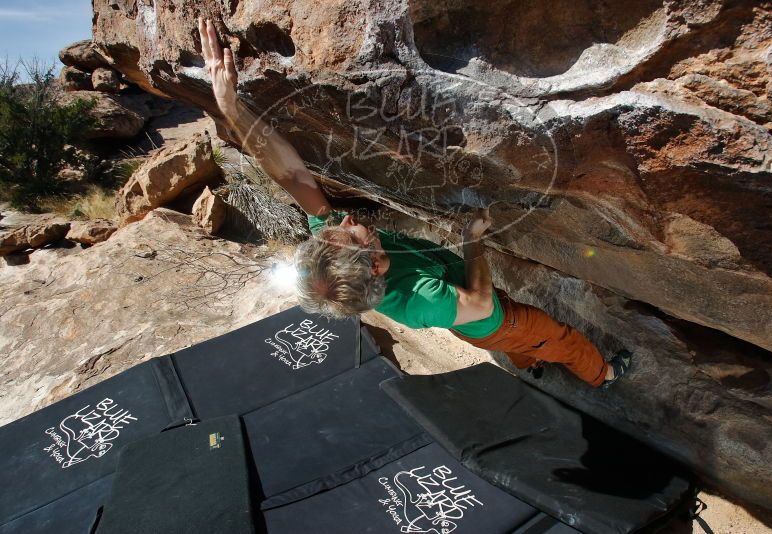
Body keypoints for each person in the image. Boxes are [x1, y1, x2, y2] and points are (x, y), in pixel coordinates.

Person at [198, 19, 631, 387]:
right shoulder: (420, 300)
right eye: (355, 231)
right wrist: (470, 242)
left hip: (473, 322)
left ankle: (528, 360)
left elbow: (291, 175)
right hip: (496, 319)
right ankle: (604, 375)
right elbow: (479, 304)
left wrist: (230, 107)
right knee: (560, 338)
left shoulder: (336, 254)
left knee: (516, 347)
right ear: (377, 266)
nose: (347, 217)